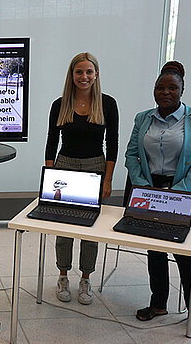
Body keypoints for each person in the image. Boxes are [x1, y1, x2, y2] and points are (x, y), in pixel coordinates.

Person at [125, 61, 191, 340]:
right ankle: (158, 303)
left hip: (185, 196)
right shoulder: (143, 118)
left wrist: (180, 191)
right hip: (151, 192)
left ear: (181, 90)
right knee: (155, 250)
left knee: (188, 256)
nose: (165, 92)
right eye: (160, 87)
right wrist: (142, 186)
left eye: (172, 87)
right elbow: (131, 155)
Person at [45, 52, 118, 305]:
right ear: (72, 75)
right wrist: (49, 177)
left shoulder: (107, 104)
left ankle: (85, 279)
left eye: (89, 71)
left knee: (90, 228)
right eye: (79, 72)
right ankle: (63, 275)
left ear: (96, 74)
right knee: (63, 228)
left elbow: (113, 145)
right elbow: (51, 143)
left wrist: (107, 180)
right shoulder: (60, 104)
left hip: (94, 168)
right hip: (64, 167)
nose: (84, 76)